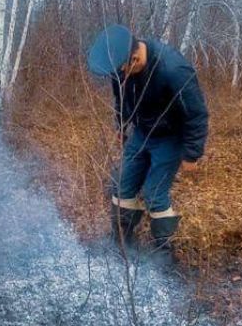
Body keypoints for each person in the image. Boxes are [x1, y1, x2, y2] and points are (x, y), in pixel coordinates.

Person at [87, 24, 209, 261]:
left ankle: (163, 253)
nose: (119, 76)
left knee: (154, 193)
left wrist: (192, 154)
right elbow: (120, 97)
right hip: (142, 132)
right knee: (122, 185)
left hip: (170, 138)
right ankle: (123, 242)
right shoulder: (121, 67)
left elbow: (197, 113)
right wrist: (121, 126)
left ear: (134, 58)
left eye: (122, 71)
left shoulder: (173, 70)